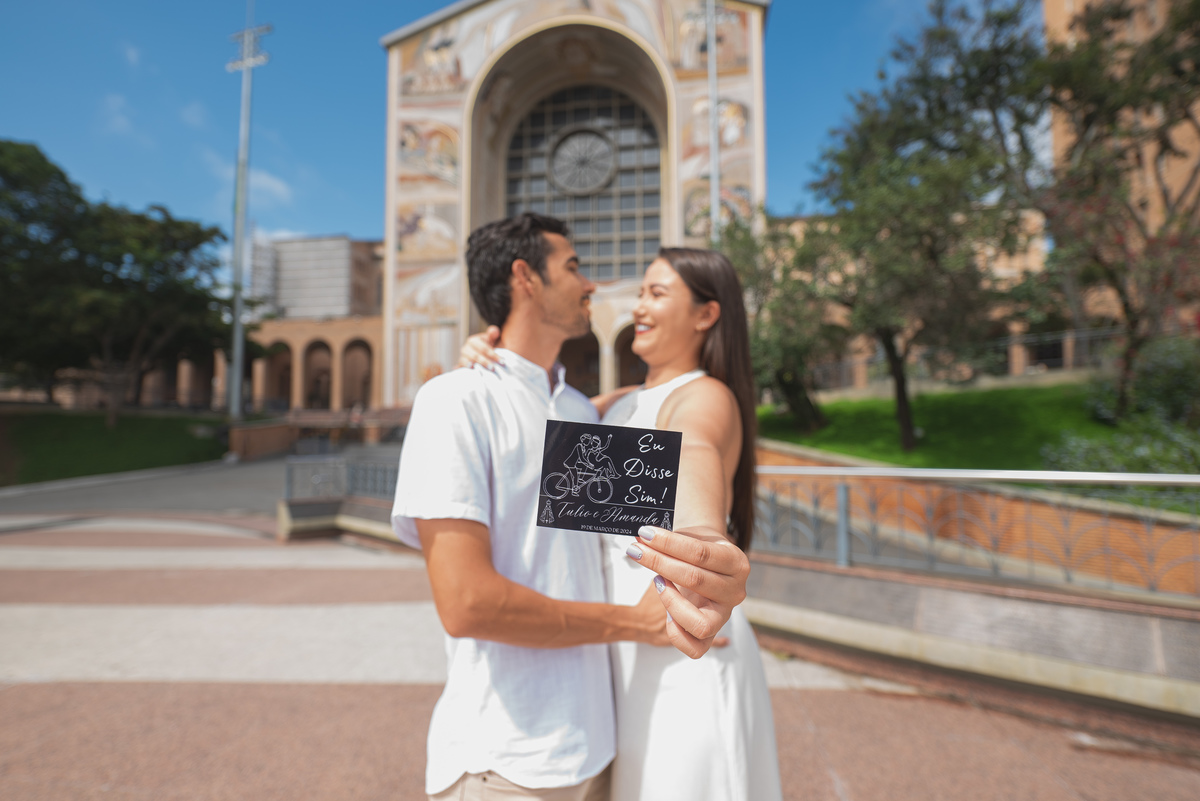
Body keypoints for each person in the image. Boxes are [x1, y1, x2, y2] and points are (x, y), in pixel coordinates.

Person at [391, 213, 751, 801]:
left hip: (600, 745)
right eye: (575, 267)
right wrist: (635, 624)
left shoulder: (582, 414)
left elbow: (690, 454)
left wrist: (705, 538)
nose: (593, 285)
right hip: (507, 758)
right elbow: (466, 604)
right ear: (525, 278)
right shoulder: (455, 399)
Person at [461, 247, 784, 801]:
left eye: (658, 294)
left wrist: (703, 537)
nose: (640, 306)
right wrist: (490, 351)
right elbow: (539, 419)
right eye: (640, 293)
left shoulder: (705, 395)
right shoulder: (618, 404)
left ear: (706, 314)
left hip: (684, 646)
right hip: (626, 654)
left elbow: (694, 453)